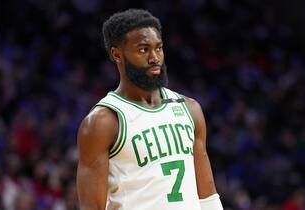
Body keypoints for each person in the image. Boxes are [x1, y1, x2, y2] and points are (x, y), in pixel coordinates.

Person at [76, 8, 224, 210]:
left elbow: (207, 196)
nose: (155, 57)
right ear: (117, 54)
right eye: (143, 49)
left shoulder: (189, 108)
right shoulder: (104, 121)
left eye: (159, 48)